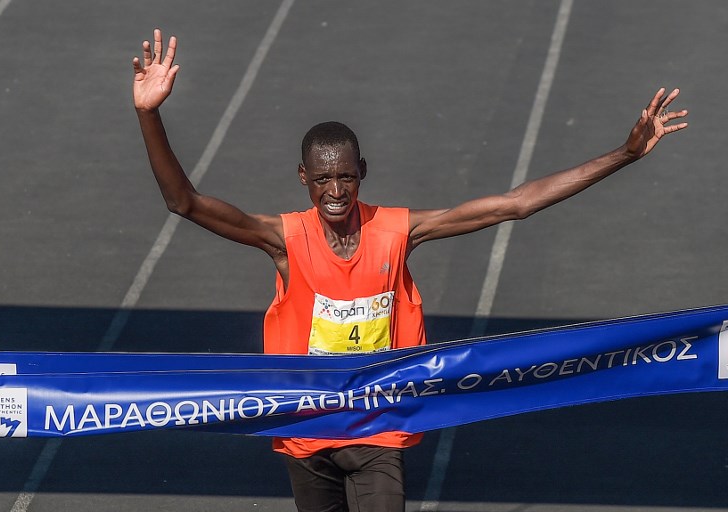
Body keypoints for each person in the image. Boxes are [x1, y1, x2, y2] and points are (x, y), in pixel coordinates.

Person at [132, 28, 688, 512]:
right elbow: (186, 202)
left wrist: (624, 154)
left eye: (345, 178)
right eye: (322, 180)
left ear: (362, 173)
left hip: (379, 424)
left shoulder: (397, 231)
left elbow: (513, 204)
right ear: (303, 177)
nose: (334, 192)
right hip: (307, 425)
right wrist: (149, 113)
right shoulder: (285, 239)